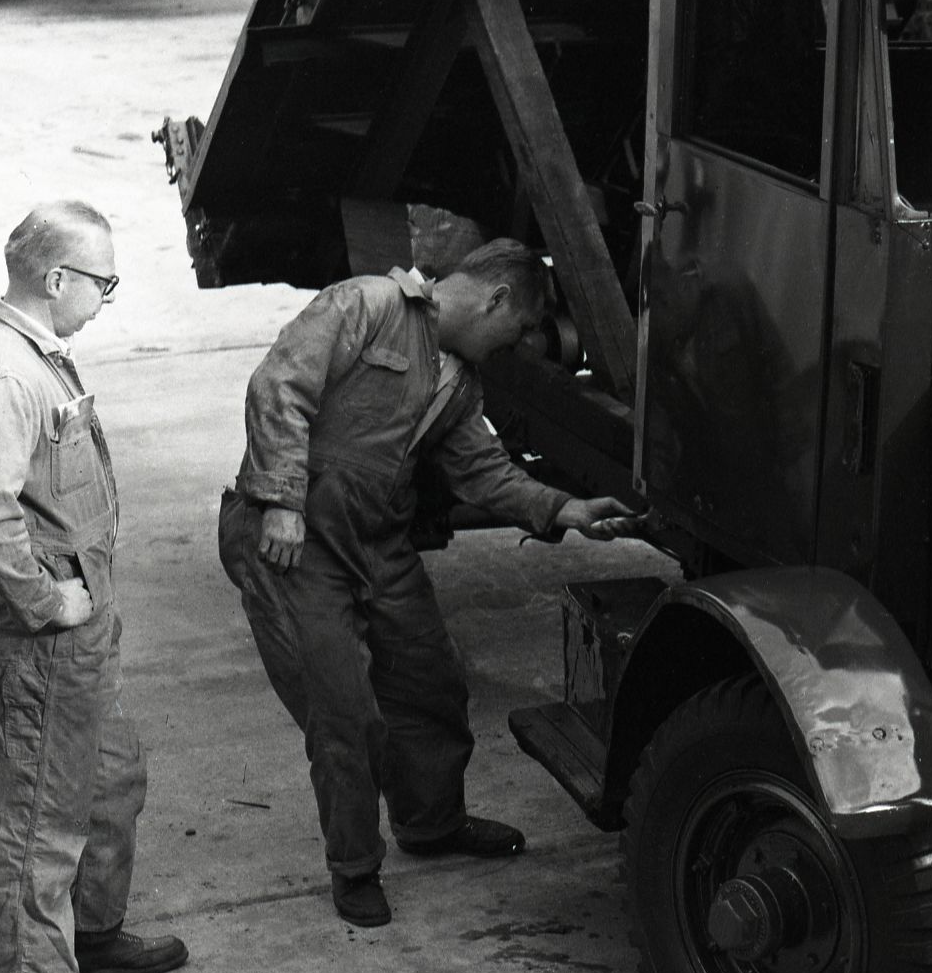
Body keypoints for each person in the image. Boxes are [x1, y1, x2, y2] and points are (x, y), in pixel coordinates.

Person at [219, 240, 634, 927]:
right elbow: (277, 388)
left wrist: (566, 509)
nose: (518, 344)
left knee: (429, 682)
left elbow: (484, 473)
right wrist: (282, 503)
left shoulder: (460, 384)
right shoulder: (367, 305)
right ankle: (354, 867)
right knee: (344, 711)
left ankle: (431, 823)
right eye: (518, 327)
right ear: (496, 299)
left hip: (377, 542)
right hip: (294, 544)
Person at [0, 202, 188, 973]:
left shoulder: (40, 355)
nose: (104, 298)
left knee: (109, 778)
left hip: (80, 622)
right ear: (57, 280)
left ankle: (91, 934)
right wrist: (50, 603)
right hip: (44, 625)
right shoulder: (11, 376)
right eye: (103, 281)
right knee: (41, 806)